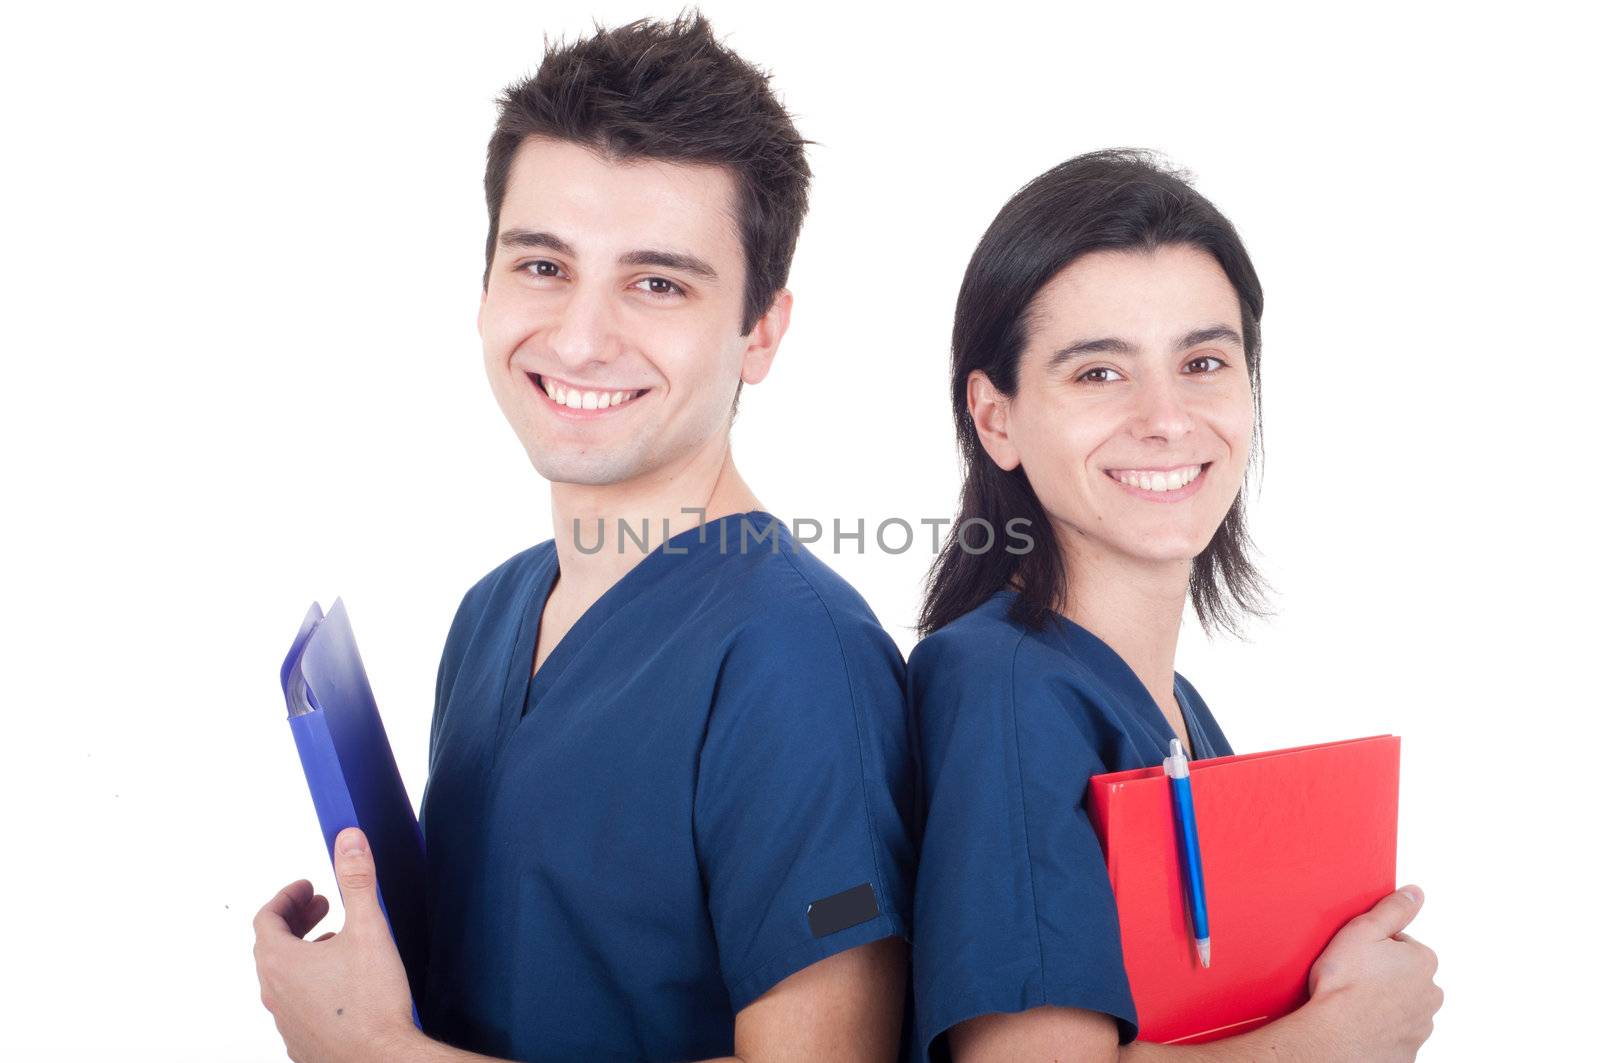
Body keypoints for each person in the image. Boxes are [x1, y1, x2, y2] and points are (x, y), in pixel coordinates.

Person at [252, 14, 914, 1062]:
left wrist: (374, 1052)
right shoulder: (490, 616)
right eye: (542, 266)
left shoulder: (795, 662)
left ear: (761, 331)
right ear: (483, 288)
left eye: (658, 283)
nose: (578, 337)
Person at [907, 150, 1443, 1062]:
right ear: (995, 418)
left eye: (1202, 361)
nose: (1166, 416)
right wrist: (1342, 1034)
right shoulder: (998, 686)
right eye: (1099, 374)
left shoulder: (1175, 707)